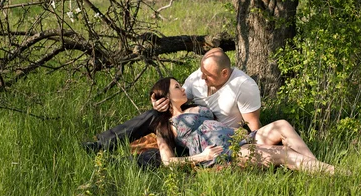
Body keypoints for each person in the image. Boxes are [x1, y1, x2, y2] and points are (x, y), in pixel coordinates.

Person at [84, 48, 261, 153]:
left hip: (216, 137)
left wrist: (255, 148)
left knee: (155, 155)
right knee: (154, 115)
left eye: (208, 76)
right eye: (202, 72)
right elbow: (178, 100)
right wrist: (159, 103)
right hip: (188, 129)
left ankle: (121, 160)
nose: (202, 78)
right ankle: (102, 145)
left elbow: (254, 125)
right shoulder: (196, 78)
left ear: (224, 73)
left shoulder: (243, 85)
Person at [150, 77, 334, 173]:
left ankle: (317, 169)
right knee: (284, 154)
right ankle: (339, 174)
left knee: (282, 125)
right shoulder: (164, 126)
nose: (183, 88)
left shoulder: (195, 106)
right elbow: (168, 162)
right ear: (166, 96)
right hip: (223, 153)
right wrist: (200, 157)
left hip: (240, 138)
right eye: (176, 87)